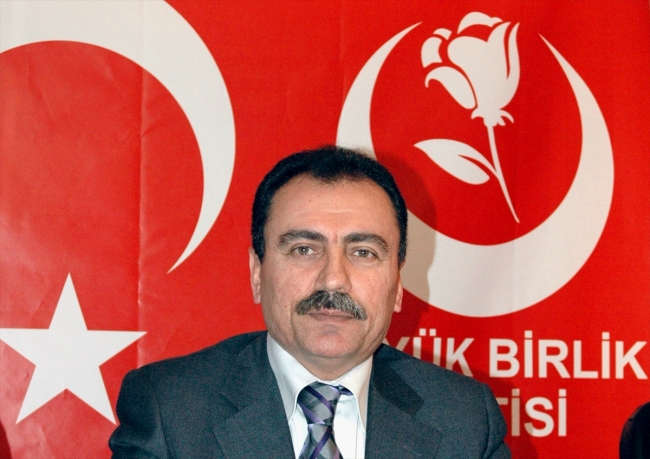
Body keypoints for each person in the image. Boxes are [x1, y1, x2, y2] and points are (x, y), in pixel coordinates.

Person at [109, 146, 510, 458]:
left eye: (363, 252)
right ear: (257, 272)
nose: (333, 278)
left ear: (398, 284)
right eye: (304, 249)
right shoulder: (170, 410)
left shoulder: (465, 419)